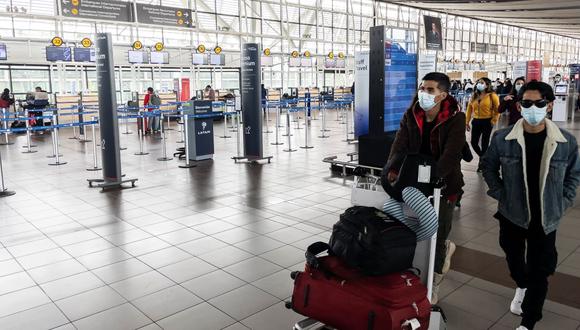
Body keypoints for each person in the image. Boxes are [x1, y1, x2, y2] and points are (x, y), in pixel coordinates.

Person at [481, 81, 580, 330]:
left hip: (545, 218)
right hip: (512, 213)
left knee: (540, 269)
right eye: (526, 103)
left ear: (549, 106)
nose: (532, 108)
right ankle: (521, 283)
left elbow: (574, 176)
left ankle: (529, 320)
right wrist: (501, 194)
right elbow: (488, 167)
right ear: (518, 105)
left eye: (539, 103)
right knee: (514, 257)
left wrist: (564, 200)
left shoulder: (566, 141)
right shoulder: (503, 138)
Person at [385, 72, 465, 304]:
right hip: (412, 180)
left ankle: (435, 280)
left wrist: (436, 178)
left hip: (443, 183)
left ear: (443, 95)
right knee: (406, 227)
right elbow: (399, 144)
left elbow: (452, 152)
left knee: (437, 234)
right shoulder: (412, 115)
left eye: (430, 90)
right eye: (422, 88)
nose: (424, 93)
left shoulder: (455, 118)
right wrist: (391, 169)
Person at [465, 77, 500, 171]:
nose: (479, 84)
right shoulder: (474, 95)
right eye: (478, 82)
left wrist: (493, 121)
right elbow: (469, 109)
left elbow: (497, 110)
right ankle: (484, 158)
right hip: (476, 121)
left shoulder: (492, 96)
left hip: (487, 121)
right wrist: (467, 121)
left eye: (481, 82)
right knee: (473, 142)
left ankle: (482, 164)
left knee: (485, 143)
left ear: (487, 85)